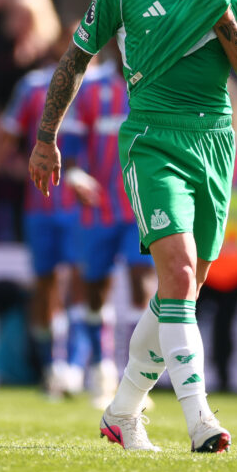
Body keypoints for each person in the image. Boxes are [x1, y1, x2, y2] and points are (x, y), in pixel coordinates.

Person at [28, 0, 237, 452]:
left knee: (179, 292)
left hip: (215, 139)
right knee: (180, 275)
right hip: (152, 139)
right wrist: (46, 138)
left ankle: (121, 413)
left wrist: (225, 20)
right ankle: (200, 419)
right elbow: (76, 57)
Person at [0, 32, 90, 398]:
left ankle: (79, 366)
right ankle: (52, 366)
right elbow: (6, 136)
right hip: (41, 205)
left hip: (83, 208)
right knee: (45, 286)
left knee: (79, 284)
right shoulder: (34, 87)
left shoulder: (102, 87)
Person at [62, 56, 156, 408]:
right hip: (97, 206)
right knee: (95, 288)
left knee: (140, 281)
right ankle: (102, 371)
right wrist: (73, 175)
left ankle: (135, 381)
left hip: (141, 205)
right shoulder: (91, 87)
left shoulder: (157, 78)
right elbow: (70, 142)